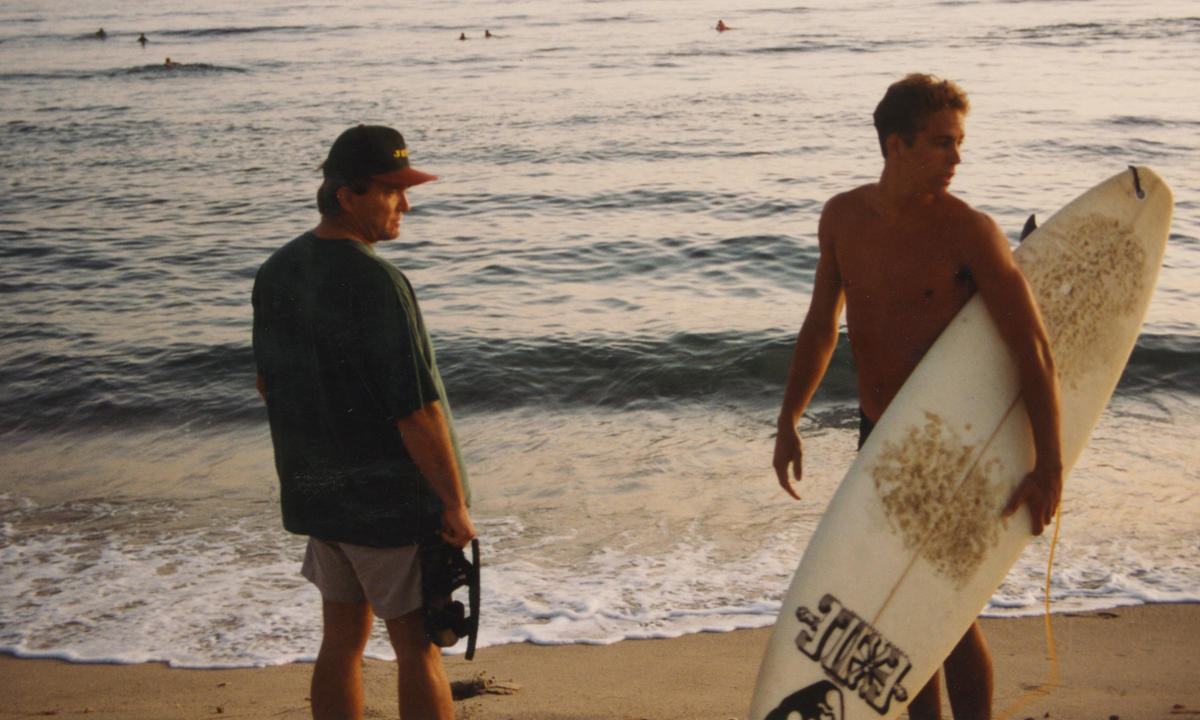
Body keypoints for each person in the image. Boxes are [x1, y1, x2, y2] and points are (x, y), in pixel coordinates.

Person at [771, 74, 1063, 720]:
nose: (958, 158)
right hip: (879, 435)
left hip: (948, 445)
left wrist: (1049, 465)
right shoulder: (843, 217)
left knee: (942, 610)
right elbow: (823, 325)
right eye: (942, 144)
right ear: (895, 145)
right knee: (898, 609)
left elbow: (1032, 348)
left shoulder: (968, 231)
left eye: (958, 143)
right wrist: (789, 417)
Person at [253, 124, 475, 720]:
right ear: (346, 194)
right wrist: (453, 504)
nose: (406, 202)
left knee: (341, 644)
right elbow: (416, 408)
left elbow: (268, 385)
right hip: (388, 507)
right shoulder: (379, 281)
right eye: (391, 190)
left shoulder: (277, 271)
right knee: (419, 650)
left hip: (322, 497)